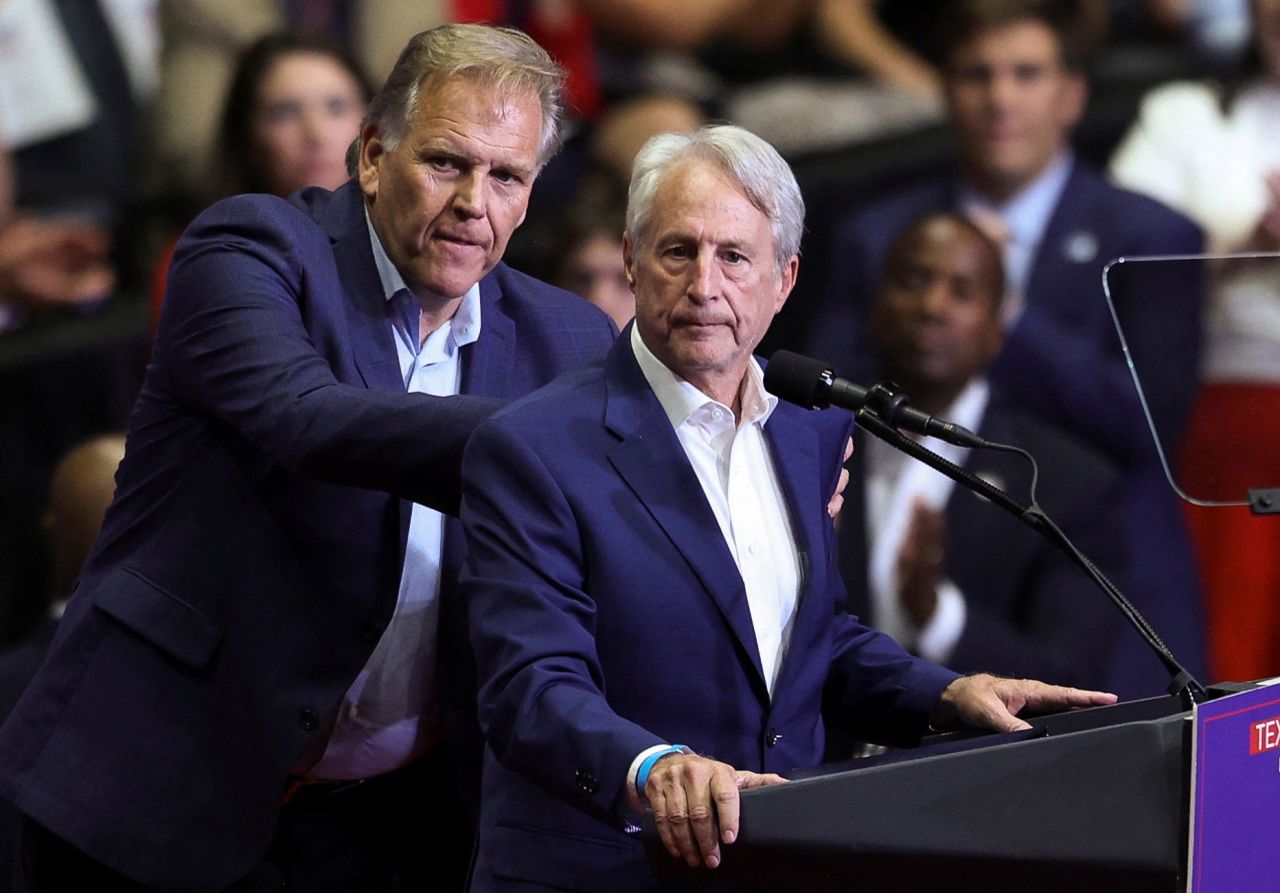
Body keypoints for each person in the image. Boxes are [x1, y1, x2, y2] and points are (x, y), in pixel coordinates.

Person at [0, 24, 617, 893]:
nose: (475, 201)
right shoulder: (249, 250)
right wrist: (572, 439)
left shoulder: (567, 338)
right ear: (371, 155)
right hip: (158, 792)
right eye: (446, 162)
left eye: (507, 176)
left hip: (392, 827)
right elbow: (309, 421)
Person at [459, 124, 1117, 892]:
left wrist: (941, 693)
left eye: (735, 256)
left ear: (785, 278)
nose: (705, 285)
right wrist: (653, 763)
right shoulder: (534, 445)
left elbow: (806, 639)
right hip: (602, 866)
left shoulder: (806, 427)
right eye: (678, 251)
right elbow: (531, 684)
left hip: (780, 857)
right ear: (633, 262)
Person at [800, 0, 1208, 698]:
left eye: (1026, 74)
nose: (1001, 99)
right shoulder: (876, 235)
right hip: (893, 590)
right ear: (945, 88)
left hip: (1102, 590)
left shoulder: (1154, 235)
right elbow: (824, 402)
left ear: (1072, 93)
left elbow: (1149, 426)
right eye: (976, 75)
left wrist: (1004, 316)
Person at [837, 212, 1127, 698]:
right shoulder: (810, 443)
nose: (932, 306)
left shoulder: (1063, 482)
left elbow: (1072, 678)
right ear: (875, 309)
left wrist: (938, 615)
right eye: (913, 281)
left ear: (996, 331)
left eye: (962, 292)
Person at [1110, 0, 1280, 682]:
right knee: (1229, 662)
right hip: (1222, 421)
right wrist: (1251, 242)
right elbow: (1117, 255)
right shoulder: (1185, 114)